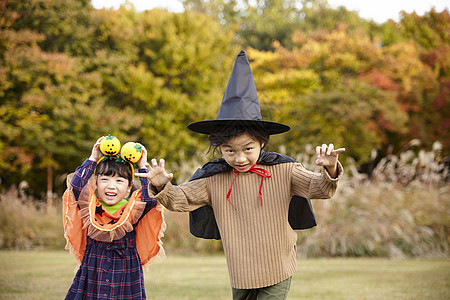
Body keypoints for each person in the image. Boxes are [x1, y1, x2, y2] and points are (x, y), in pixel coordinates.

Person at [136, 50, 345, 300]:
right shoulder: (213, 178)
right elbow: (181, 199)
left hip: (278, 265)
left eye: (248, 149)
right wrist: (161, 186)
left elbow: (320, 189)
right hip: (240, 271)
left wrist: (329, 168)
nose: (240, 158)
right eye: (229, 151)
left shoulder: (285, 170)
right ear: (220, 149)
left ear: (262, 143)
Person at [62, 136, 165, 300]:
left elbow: (150, 199)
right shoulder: (91, 206)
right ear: (96, 183)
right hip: (93, 267)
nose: (111, 186)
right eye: (105, 179)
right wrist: (93, 158)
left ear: (129, 186)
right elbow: (75, 187)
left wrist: (142, 166)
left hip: (126, 271)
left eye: (119, 180)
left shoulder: (133, 208)